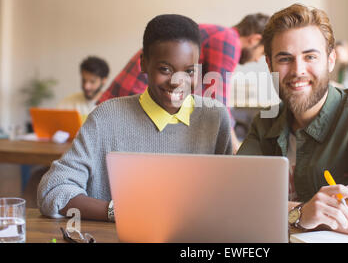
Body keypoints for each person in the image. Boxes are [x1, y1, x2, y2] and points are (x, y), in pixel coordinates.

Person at [38, 14, 232, 221]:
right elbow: (53, 190)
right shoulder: (107, 117)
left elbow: (230, 196)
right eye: (165, 69)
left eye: (189, 71)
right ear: (144, 64)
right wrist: (121, 211)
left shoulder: (214, 117)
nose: (178, 81)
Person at [237, 4, 348, 237]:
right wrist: (302, 213)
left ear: (330, 59)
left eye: (310, 57)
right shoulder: (265, 121)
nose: (298, 71)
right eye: (285, 59)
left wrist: (286, 214)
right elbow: (237, 205)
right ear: (269, 65)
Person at [96, 13, 270, 153]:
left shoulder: (219, 34)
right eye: (262, 54)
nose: (256, 60)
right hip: (135, 100)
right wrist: (235, 149)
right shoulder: (228, 40)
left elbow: (206, 99)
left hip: (126, 93)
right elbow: (218, 100)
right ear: (254, 39)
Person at [57, 56, 110, 121]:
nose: (86, 86)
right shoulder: (67, 103)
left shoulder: (110, 106)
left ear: (104, 80)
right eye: (84, 80)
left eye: (92, 82)